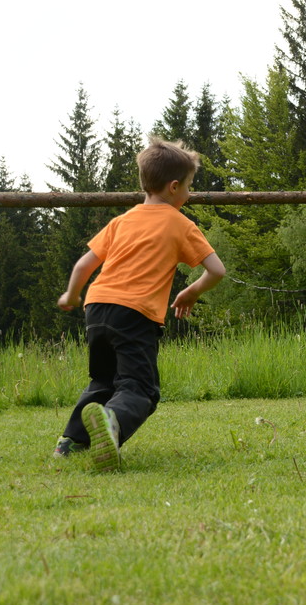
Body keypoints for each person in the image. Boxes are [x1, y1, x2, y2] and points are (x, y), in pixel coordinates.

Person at [53, 136, 226, 471]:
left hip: (97, 307)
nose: (189, 194)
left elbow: (83, 265)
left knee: (103, 382)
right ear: (174, 187)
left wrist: (71, 296)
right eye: (189, 187)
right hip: (136, 314)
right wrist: (190, 292)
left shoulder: (123, 221)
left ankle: (70, 443)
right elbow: (216, 271)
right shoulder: (180, 223)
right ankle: (112, 422)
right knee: (140, 389)